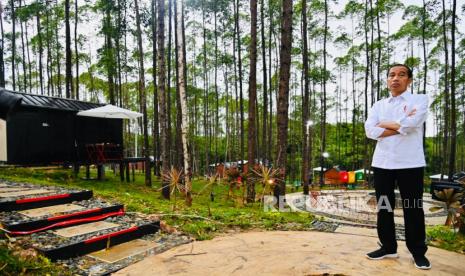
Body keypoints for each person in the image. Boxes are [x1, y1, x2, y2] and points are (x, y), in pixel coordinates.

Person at [364, 64, 430, 270]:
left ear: (409, 80)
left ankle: (418, 251)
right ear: (387, 80)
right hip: (382, 162)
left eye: (401, 75)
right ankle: (388, 246)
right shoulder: (379, 105)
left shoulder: (419, 100)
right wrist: (401, 126)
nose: (396, 78)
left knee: (413, 208)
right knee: (384, 206)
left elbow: (413, 123)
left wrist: (384, 124)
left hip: (410, 163)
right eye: (392, 75)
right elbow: (370, 130)